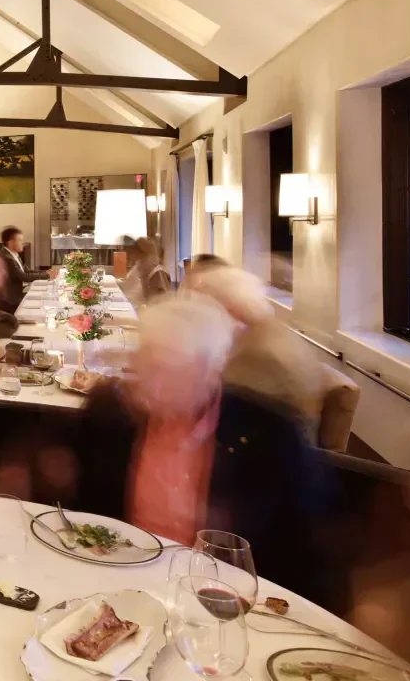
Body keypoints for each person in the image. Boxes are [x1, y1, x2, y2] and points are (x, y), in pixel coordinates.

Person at [74, 297, 337, 604]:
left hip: (217, 597)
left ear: (211, 372)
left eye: (166, 370)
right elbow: (80, 511)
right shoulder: (111, 413)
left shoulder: (269, 436)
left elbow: (313, 552)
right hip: (116, 585)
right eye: (145, 364)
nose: (149, 383)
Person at [190, 266, 326, 435]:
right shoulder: (268, 331)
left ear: (229, 308)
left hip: (271, 444)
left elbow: (224, 412)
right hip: (272, 431)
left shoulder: (257, 354)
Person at [0, 226, 51, 315]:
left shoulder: (13, 254)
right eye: (20, 240)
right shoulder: (7, 258)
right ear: (11, 242)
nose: (23, 243)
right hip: (10, 300)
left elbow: (27, 271)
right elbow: (24, 276)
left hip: (17, 294)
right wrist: (47, 275)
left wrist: (46, 272)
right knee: (43, 304)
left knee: (44, 298)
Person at [120, 237, 170, 303]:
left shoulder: (154, 272)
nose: (130, 255)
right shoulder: (139, 265)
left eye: (133, 251)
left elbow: (155, 303)